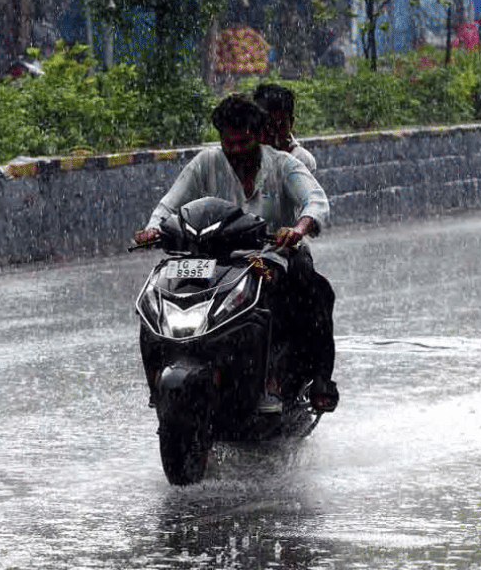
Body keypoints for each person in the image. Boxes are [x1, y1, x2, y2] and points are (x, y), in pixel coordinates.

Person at [133, 94, 338, 413]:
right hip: (208, 260)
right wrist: (153, 229)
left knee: (304, 293)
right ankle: (158, 377)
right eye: (230, 143)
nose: (237, 151)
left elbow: (315, 201)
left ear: (259, 135)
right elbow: (169, 205)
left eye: (244, 142)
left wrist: (298, 228)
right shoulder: (205, 162)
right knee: (156, 297)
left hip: (265, 258)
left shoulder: (283, 164)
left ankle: (280, 379)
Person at [253, 82, 316, 173]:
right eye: (268, 125)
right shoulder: (246, 155)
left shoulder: (302, 160)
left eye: (281, 125)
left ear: (291, 123)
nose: (273, 133)